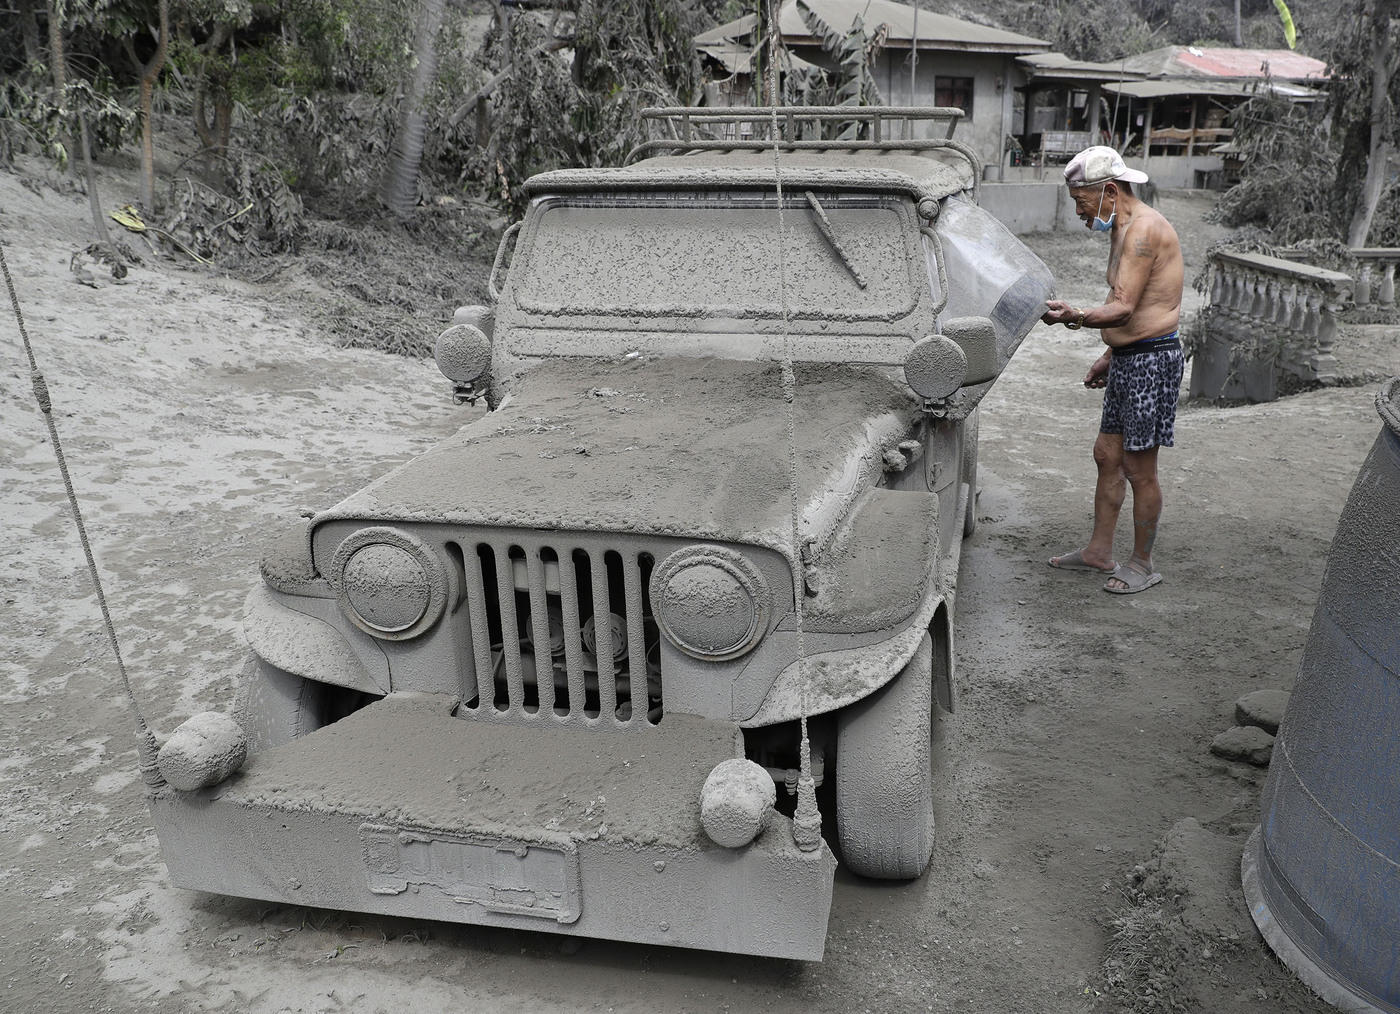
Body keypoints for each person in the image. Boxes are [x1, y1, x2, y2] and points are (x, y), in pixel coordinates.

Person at [1041, 146, 1185, 594]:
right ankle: (1099, 552)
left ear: (1108, 190)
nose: (1081, 214)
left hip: (1151, 362)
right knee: (1108, 455)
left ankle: (1142, 564)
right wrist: (1109, 355)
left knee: (1140, 469)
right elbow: (1131, 302)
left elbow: (1123, 308)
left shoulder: (1143, 232)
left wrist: (1075, 315)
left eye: (1082, 202)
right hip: (1129, 360)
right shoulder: (1121, 226)